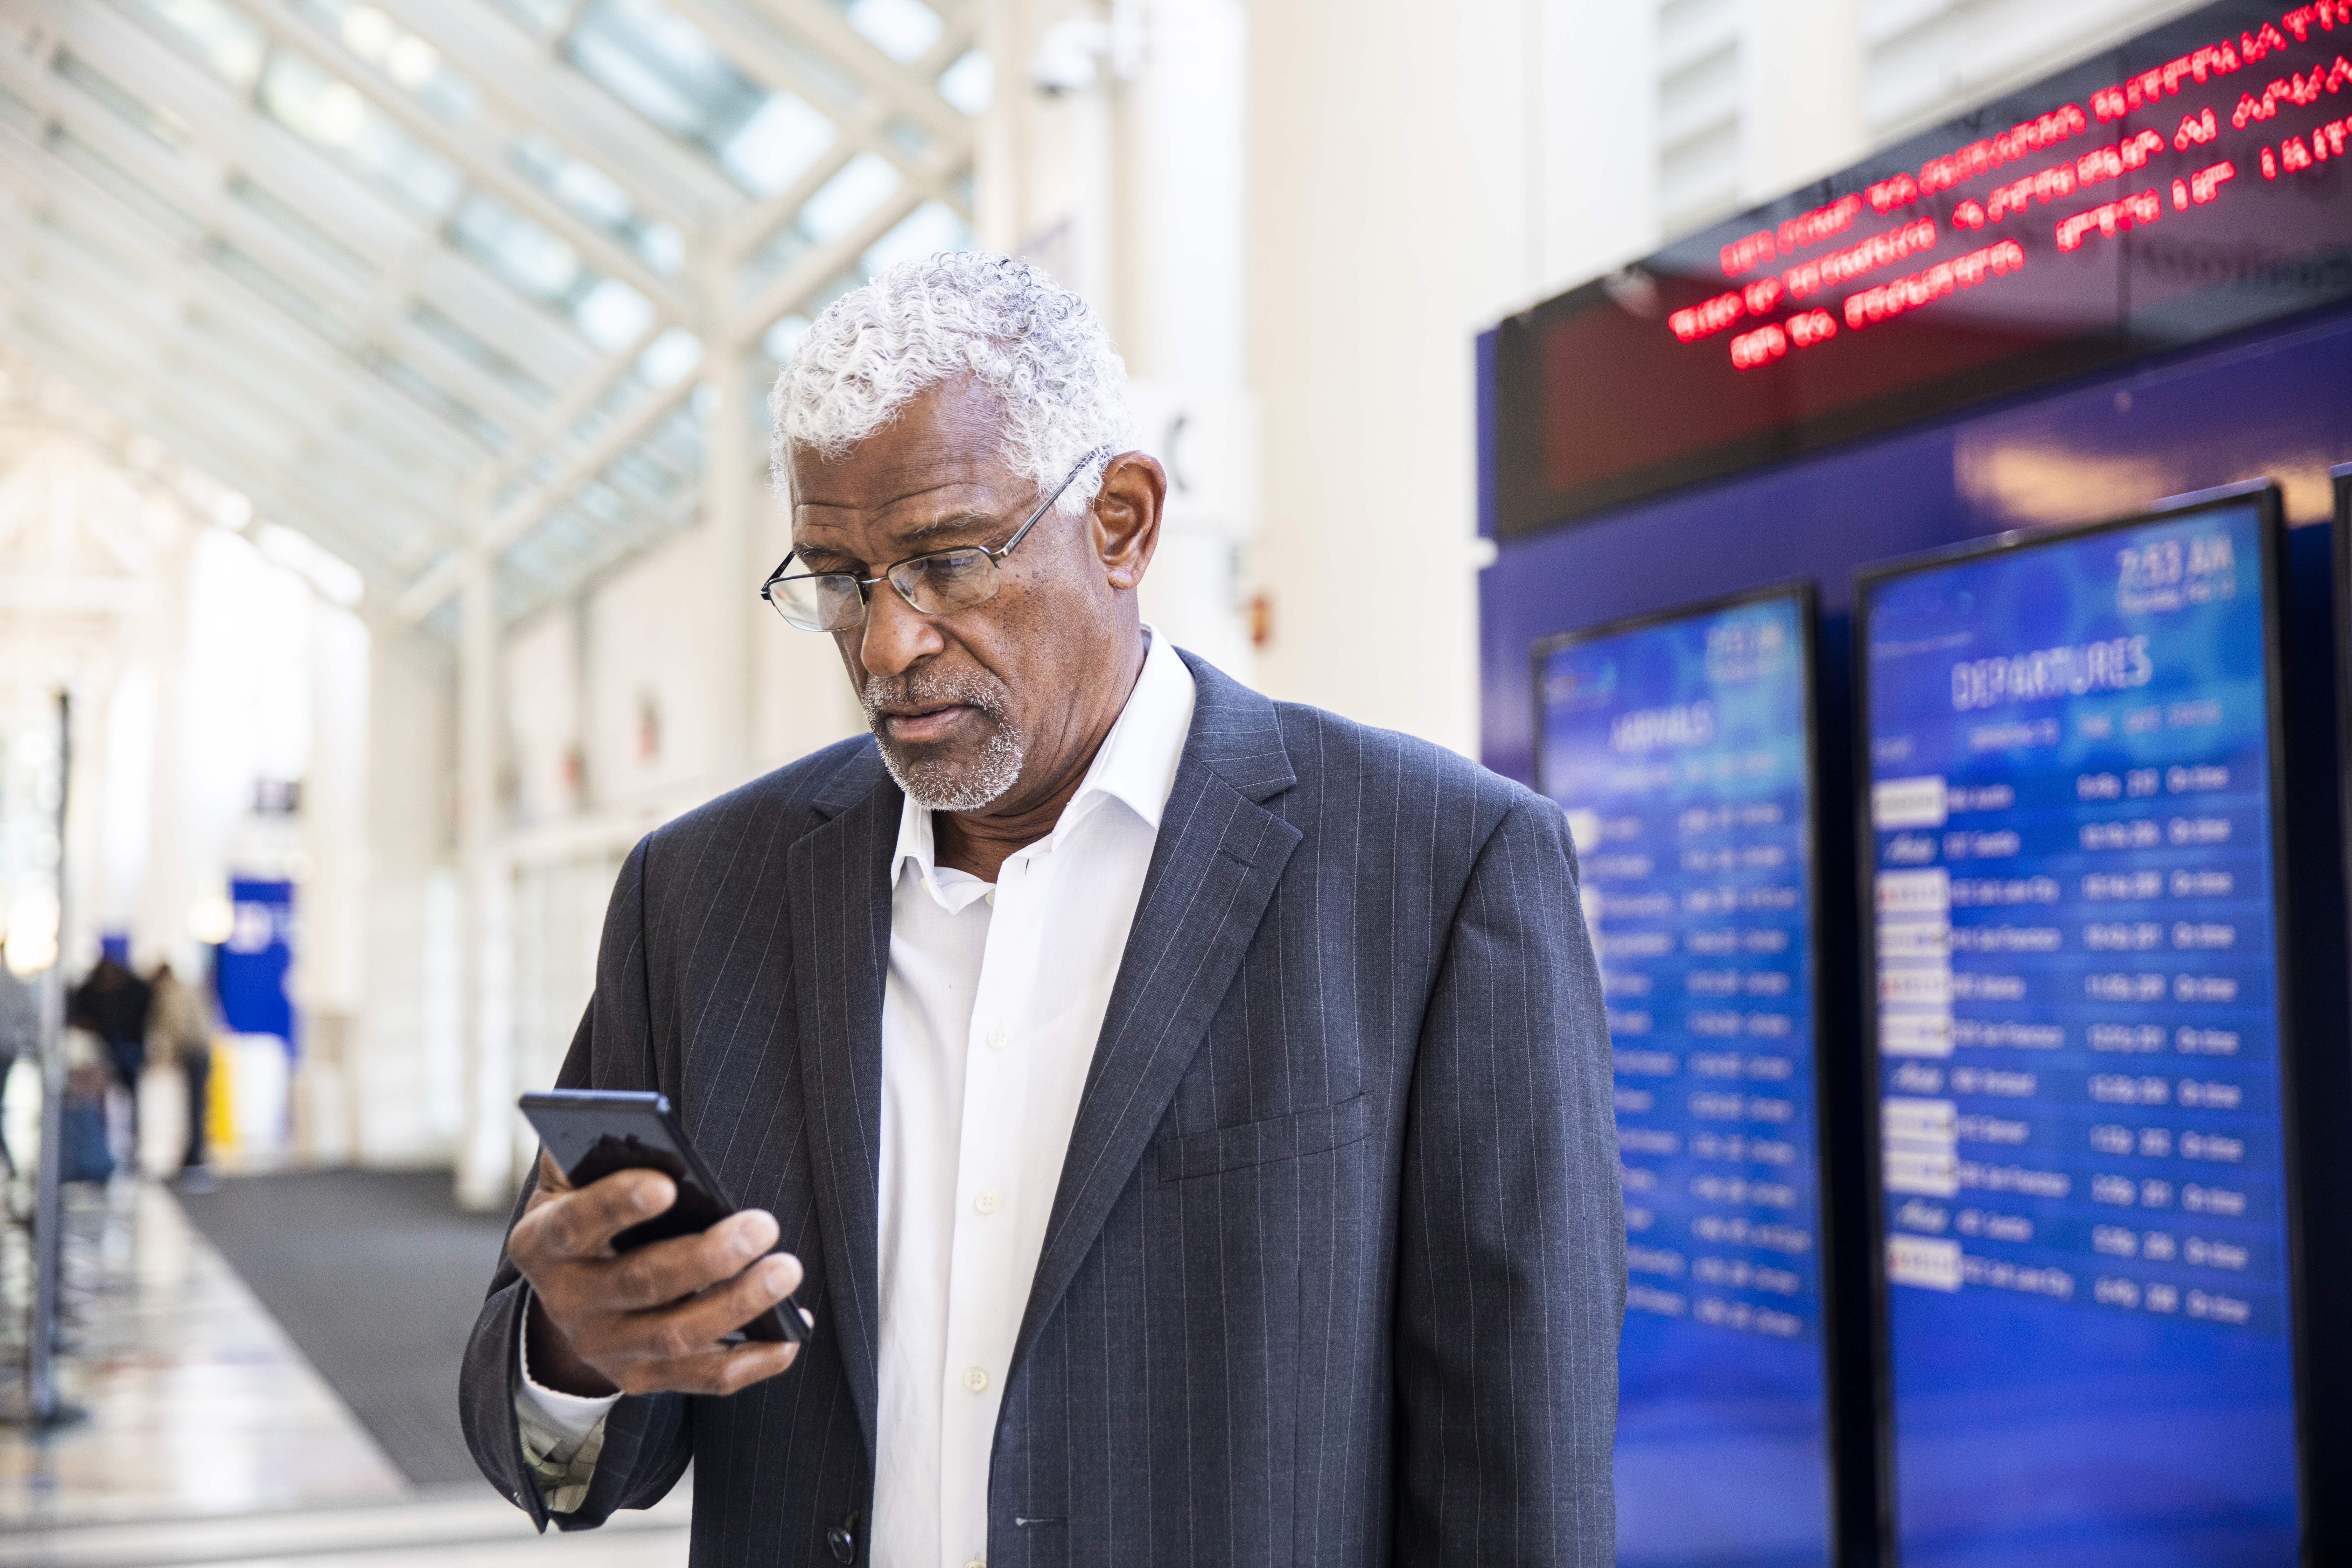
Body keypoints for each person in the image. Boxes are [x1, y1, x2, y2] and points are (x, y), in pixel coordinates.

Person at [459, 253, 1624, 1567]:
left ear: (1120, 521)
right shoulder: (699, 898)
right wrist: (571, 1353)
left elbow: (1517, 1480)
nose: (886, 645)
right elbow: (549, 1448)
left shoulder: (1432, 870)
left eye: (946, 563)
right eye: (839, 579)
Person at [69, 949, 151, 1162]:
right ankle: (101, 1146)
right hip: (104, 1048)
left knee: (131, 1097)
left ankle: (132, 1143)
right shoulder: (90, 993)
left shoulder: (134, 990)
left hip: (129, 1045)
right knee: (100, 1098)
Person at [147, 960, 216, 1185]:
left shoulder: (171, 994)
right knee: (196, 1106)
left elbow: (177, 1026)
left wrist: (169, 1053)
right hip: (200, 1050)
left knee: (195, 1106)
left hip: (193, 1052)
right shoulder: (185, 988)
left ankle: (195, 1157)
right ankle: (193, 1154)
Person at [0, 941, 35, 1176]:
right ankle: (11, 1164)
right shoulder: (12, 981)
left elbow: (28, 1016)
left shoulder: (10, 981)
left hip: (5, 1050)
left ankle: (12, 1165)